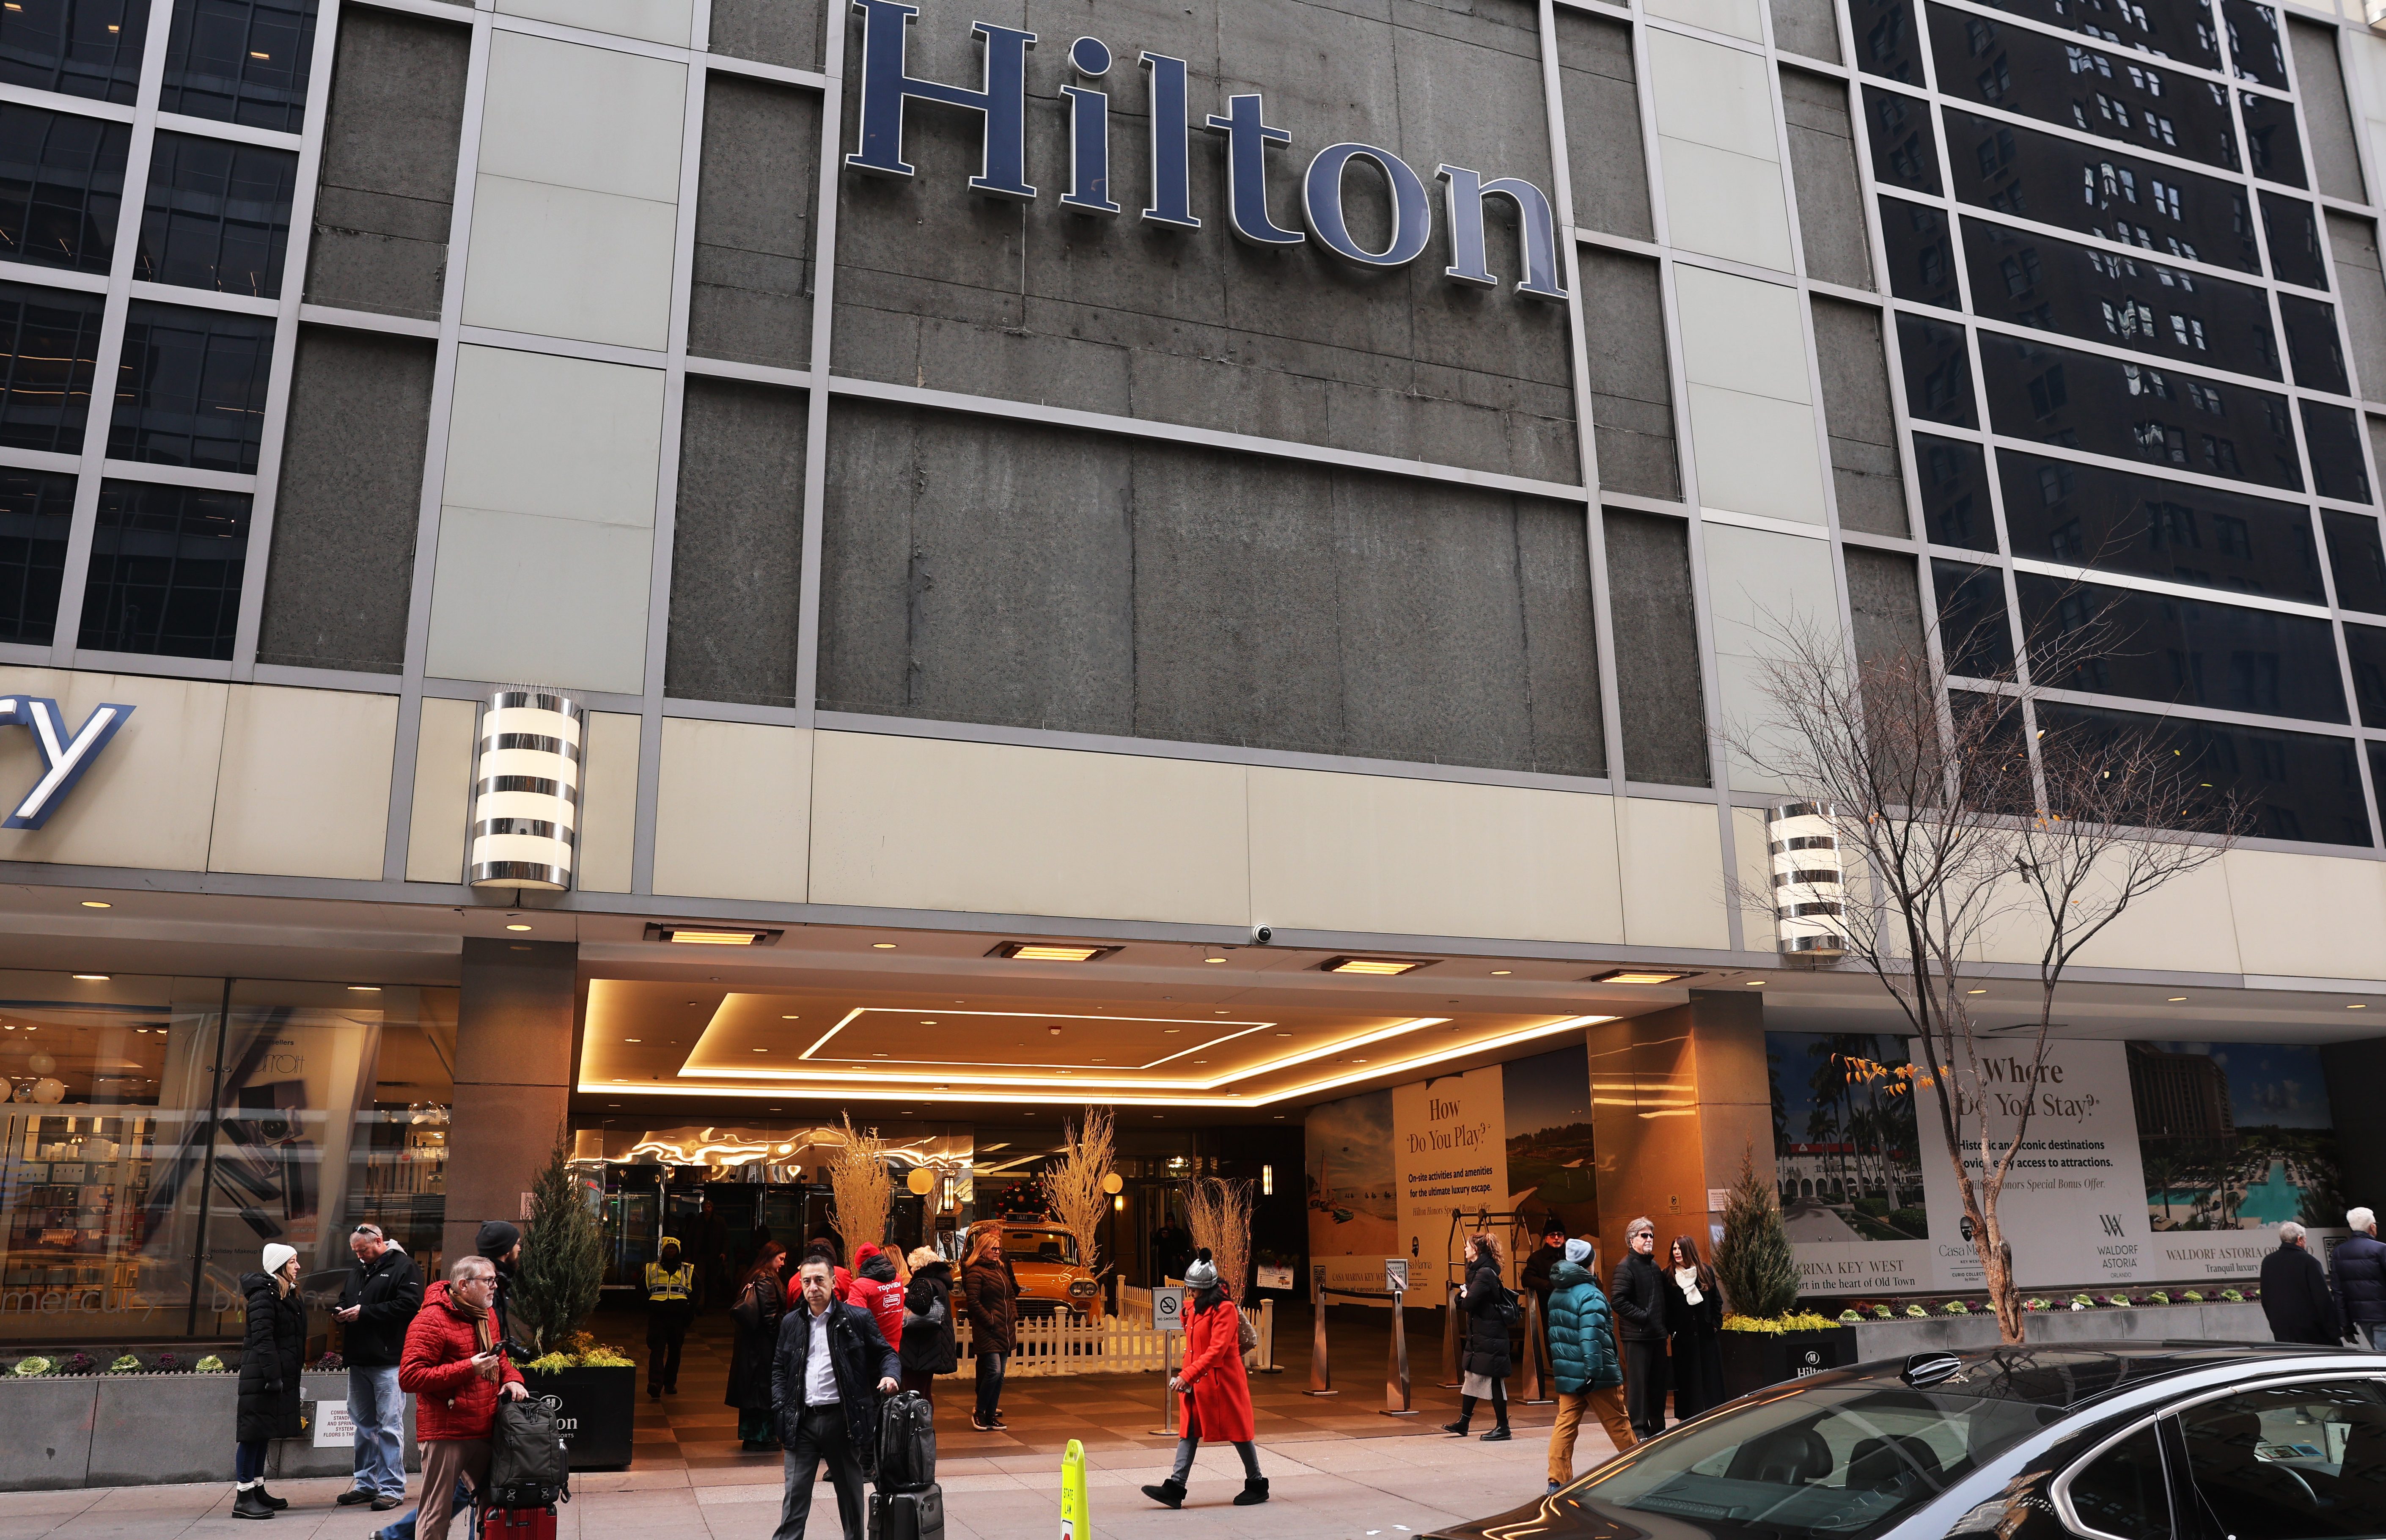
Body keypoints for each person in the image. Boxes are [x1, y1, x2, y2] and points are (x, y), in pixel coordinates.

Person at [770, 1254, 901, 1540]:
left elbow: (886, 1353)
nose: (813, 1287)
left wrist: (890, 1376)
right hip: (801, 1422)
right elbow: (779, 1367)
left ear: (833, 1281)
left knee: (851, 1499)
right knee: (794, 1501)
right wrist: (780, 1404)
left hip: (842, 1422)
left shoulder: (857, 1318)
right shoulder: (791, 1322)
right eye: (807, 1281)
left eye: (819, 1280)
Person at [398, 1254, 528, 1540]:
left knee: (495, 1505)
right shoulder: (431, 1319)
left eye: (496, 1280)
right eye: (488, 1281)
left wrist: (513, 1380)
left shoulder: (486, 1314)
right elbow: (410, 1377)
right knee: (437, 1512)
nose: (495, 1286)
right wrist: (468, 1368)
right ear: (464, 1285)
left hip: (484, 1426)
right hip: (446, 1431)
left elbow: (499, 1357)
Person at [1139, 1248, 1267, 1508]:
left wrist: (1187, 1375)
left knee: (1239, 1432)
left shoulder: (1225, 1310)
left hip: (1223, 1382)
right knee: (1189, 1432)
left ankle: (1257, 1483)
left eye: (1194, 1290)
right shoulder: (1197, 1308)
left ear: (1206, 1289)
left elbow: (1217, 1350)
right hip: (1200, 1382)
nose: (1190, 1293)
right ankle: (1175, 1486)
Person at [334, 1224, 422, 1512]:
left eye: (363, 1250)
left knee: (389, 1426)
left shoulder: (404, 1267)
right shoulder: (360, 1270)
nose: (360, 1256)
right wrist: (341, 1312)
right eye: (356, 1252)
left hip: (389, 1360)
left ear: (380, 1241)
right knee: (362, 1427)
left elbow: (410, 1305)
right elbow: (346, 1298)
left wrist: (365, 1312)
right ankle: (366, 1484)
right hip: (359, 1359)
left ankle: (392, 1488)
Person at [1545, 1238, 1631, 1493]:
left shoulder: (1557, 1293)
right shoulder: (1591, 1294)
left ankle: (1557, 1481)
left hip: (1569, 1374)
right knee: (1619, 1424)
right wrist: (1593, 1373)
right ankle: (1642, 1472)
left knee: (1565, 1425)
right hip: (1596, 1373)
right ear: (1588, 1263)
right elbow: (1591, 1337)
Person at [232, 1243, 308, 1520]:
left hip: (273, 1376)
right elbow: (263, 1341)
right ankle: (243, 1496)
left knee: (263, 1433)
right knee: (252, 1436)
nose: (297, 1266)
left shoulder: (282, 1294)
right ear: (279, 1266)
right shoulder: (264, 1296)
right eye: (292, 1262)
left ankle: (258, 1488)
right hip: (262, 1378)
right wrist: (273, 1377)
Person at [1443, 1232, 1513, 1441]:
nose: (1465, 1249)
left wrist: (1463, 1295)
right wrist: (1464, 1295)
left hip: (1490, 1333)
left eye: (1467, 1246)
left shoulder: (1484, 1273)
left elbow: (1469, 1303)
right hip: (1482, 1332)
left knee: (1493, 1379)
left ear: (1476, 1250)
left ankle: (1504, 1427)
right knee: (1473, 1375)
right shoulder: (1478, 1271)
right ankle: (1464, 1422)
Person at [1611, 1217, 1668, 1441]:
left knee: (1658, 1385)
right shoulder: (1625, 1266)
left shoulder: (1653, 1266)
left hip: (1657, 1336)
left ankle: (1659, 1427)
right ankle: (1639, 1430)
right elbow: (1618, 1301)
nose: (1649, 1239)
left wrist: (1662, 1325)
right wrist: (1644, 1319)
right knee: (1638, 1387)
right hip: (1637, 1337)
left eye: (1651, 1235)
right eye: (1644, 1235)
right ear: (1632, 1239)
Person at [729, 1242, 789, 1452]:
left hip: (753, 1344)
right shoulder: (765, 1277)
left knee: (754, 1391)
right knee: (763, 1390)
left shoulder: (754, 1275)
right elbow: (769, 1315)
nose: (783, 1263)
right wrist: (780, 1340)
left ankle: (752, 1436)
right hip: (762, 1346)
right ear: (770, 1256)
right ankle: (762, 1437)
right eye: (780, 1258)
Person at [961, 1224, 1018, 1432]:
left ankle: (991, 1414)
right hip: (989, 1329)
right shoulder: (976, 1272)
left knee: (1001, 1374)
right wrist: (991, 1320)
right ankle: (980, 1411)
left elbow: (1010, 1293)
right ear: (983, 1249)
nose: (997, 1252)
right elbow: (974, 1302)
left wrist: (1013, 1314)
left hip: (1004, 1327)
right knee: (993, 1371)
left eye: (999, 1249)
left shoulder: (1000, 1269)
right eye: (994, 1249)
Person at [1664, 1235, 1725, 1420]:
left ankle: (1713, 1415)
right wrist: (1672, 1330)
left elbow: (1717, 1301)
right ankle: (1687, 1418)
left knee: (1710, 1379)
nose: (1677, 1252)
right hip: (1683, 1339)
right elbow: (1665, 1307)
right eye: (1674, 1249)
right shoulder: (1668, 1275)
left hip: (1706, 1336)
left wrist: (1715, 1325)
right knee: (1687, 1381)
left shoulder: (1705, 1271)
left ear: (1689, 1250)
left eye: (1680, 1249)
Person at [2262, 1220, 2342, 1345]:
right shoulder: (2309, 1262)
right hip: (2312, 1334)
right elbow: (2322, 1299)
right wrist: (2334, 1332)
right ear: (2300, 1239)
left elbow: (2266, 1299)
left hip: (2282, 1331)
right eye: (2305, 1239)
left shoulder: (2268, 1262)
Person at [900, 1245, 957, 1402]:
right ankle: (926, 1426)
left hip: (919, 1350)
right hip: (932, 1347)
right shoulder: (939, 1282)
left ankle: (918, 1426)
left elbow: (921, 1305)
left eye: (912, 1266)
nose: (911, 1270)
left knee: (915, 1394)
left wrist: (905, 1295)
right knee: (925, 1393)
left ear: (918, 1265)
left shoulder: (923, 1283)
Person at [645, 1235, 697, 1399]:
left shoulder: (688, 1270)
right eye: (668, 1248)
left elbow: (696, 1293)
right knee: (657, 1351)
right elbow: (642, 1289)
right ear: (663, 1250)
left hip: (678, 1318)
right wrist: (648, 1307)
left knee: (675, 1352)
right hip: (658, 1317)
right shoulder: (652, 1268)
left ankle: (669, 1383)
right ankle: (655, 1383)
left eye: (673, 1248)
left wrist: (689, 1312)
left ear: (678, 1251)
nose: (671, 1251)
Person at [2334, 1206, 2386, 1350]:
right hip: (2383, 1315)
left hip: (2361, 1318)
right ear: (2372, 1227)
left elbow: (2338, 1292)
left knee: (2379, 1359)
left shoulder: (2339, 1252)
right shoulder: (2381, 1249)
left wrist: (2346, 1324)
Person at [475, 1221, 530, 1358]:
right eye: (518, 1244)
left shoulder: (494, 1278)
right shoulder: (486, 1284)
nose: (520, 1248)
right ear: (507, 1250)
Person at [848, 1242, 905, 1346]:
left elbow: (855, 1321)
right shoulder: (897, 1279)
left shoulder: (859, 1286)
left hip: (872, 1350)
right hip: (896, 1347)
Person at [700, 1199, 732, 1308]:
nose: (707, 1209)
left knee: (712, 1280)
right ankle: (702, 1304)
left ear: (712, 1209)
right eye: (705, 1207)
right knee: (701, 1280)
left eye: (709, 1207)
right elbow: (692, 1237)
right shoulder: (698, 1221)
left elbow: (726, 1238)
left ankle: (710, 1304)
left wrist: (724, 1252)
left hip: (714, 1255)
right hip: (701, 1254)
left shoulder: (719, 1221)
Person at [1152, 1211, 1193, 1282]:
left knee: (1176, 1277)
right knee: (1165, 1277)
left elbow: (1185, 1244)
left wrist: (1183, 1254)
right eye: (1169, 1222)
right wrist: (1162, 1237)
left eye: (1172, 1221)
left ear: (1174, 1222)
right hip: (1164, 1258)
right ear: (1166, 1222)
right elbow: (1155, 1242)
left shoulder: (1179, 1232)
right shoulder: (1162, 1231)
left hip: (1175, 1257)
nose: (1170, 1223)